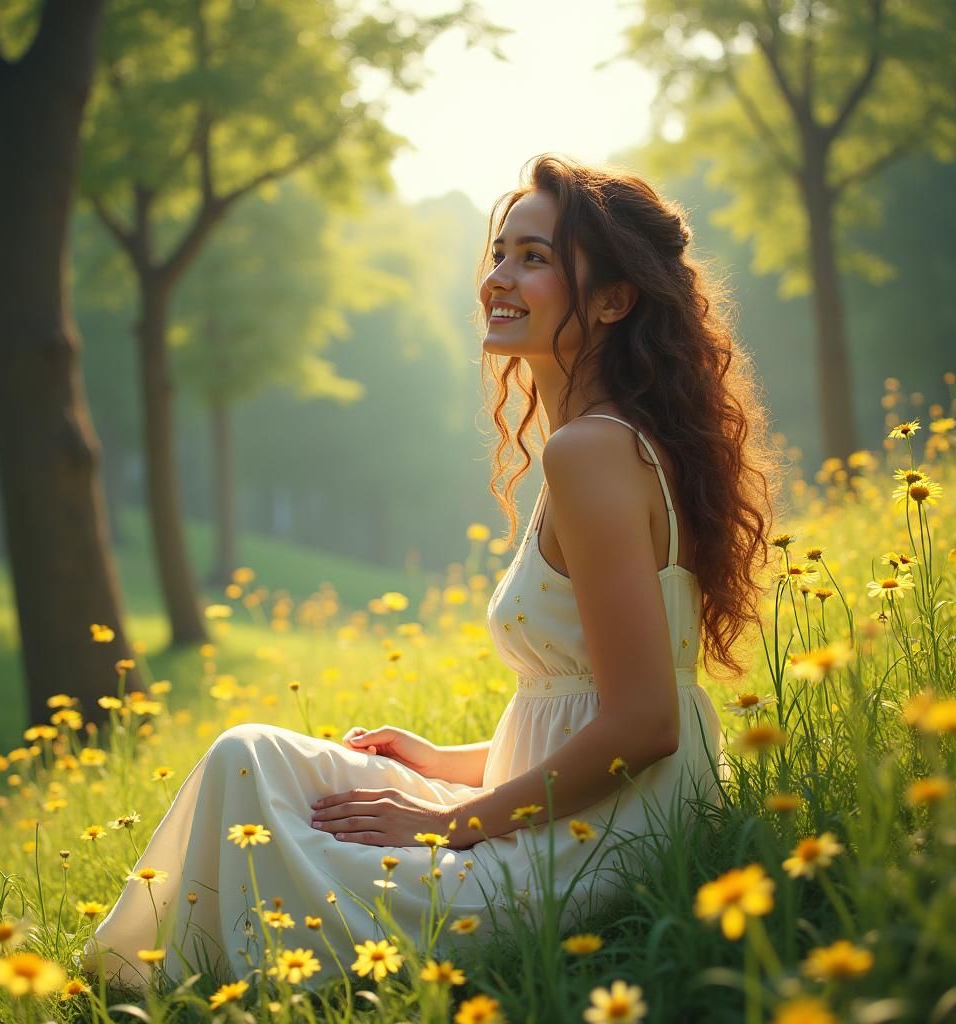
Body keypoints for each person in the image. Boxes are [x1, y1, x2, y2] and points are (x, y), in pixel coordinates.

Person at [83, 153, 781, 993]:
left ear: (611, 298)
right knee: (258, 759)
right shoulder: (606, 443)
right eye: (499, 252)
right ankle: (162, 979)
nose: (499, 276)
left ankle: (152, 985)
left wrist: (452, 821)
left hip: (594, 852)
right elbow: (587, 709)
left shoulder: (591, 452)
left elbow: (642, 726)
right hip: (581, 815)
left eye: (535, 258)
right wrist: (440, 760)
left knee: (261, 802)